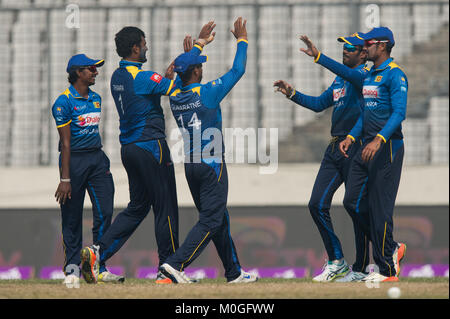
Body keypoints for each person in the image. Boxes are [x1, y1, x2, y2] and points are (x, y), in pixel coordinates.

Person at [80, 23, 217, 284]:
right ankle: (168, 269)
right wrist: (197, 48)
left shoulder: (117, 77)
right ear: (134, 48)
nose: (146, 47)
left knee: (138, 206)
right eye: (143, 44)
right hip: (151, 146)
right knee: (165, 207)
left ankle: (97, 252)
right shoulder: (142, 77)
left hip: (129, 149)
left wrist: (166, 77)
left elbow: (154, 89)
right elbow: (178, 89)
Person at [299, 27, 407, 282]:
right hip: (356, 144)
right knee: (350, 203)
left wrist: (379, 139)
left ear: (380, 46)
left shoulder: (387, 74)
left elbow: (399, 113)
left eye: (368, 44)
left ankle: (382, 268)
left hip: (384, 146)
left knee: (376, 208)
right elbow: (364, 114)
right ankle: (381, 253)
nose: (363, 47)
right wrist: (351, 136)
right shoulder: (368, 77)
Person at [158, 17, 258, 284]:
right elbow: (237, 71)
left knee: (218, 218)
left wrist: (196, 48)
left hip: (191, 165)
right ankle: (173, 265)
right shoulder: (208, 93)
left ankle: (234, 272)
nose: (203, 70)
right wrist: (242, 40)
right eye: (199, 67)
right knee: (212, 221)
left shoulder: (174, 94)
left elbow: (172, 73)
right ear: (197, 73)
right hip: (212, 164)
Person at [273, 33, 370, 282]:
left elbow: (352, 77)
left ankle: (361, 268)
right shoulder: (340, 79)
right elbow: (318, 104)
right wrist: (292, 93)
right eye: (343, 47)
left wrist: (319, 57)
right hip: (335, 148)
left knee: (356, 207)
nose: (345, 50)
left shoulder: (365, 76)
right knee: (316, 203)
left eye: (350, 48)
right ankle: (337, 261)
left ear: (363, 53)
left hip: (355, 147)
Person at [51, 54, 124, 286]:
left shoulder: (96, 98)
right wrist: (65, 178)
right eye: (91, 69)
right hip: (74, 162)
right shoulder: (63, 102)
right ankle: (72, 269)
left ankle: (98, 267)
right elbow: (66, 143)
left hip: (97, 159)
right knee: (71, 217)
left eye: (96, 68)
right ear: (78, 73)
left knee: (105, 212)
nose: (96, 72)